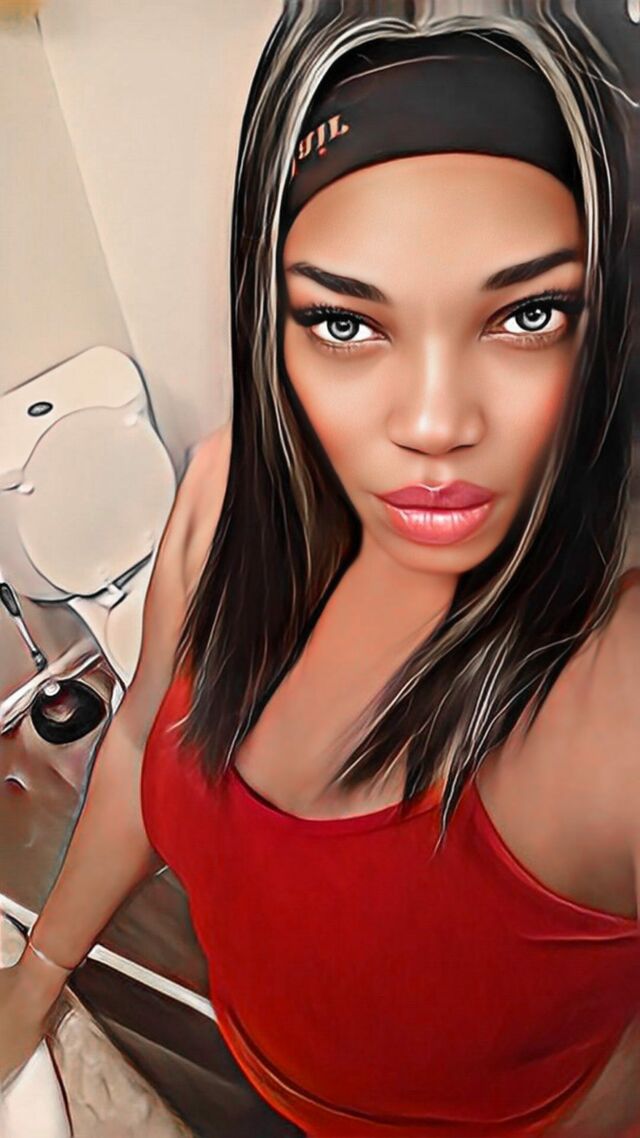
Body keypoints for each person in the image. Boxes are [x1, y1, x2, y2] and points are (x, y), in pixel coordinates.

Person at [2, 5, 640, 1137]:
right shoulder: (222, 498)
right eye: (347, 323)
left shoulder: (611, 696)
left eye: (527, 313)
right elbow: (145, 740)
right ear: (274, 326)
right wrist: (37, 972)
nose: (434, 422)